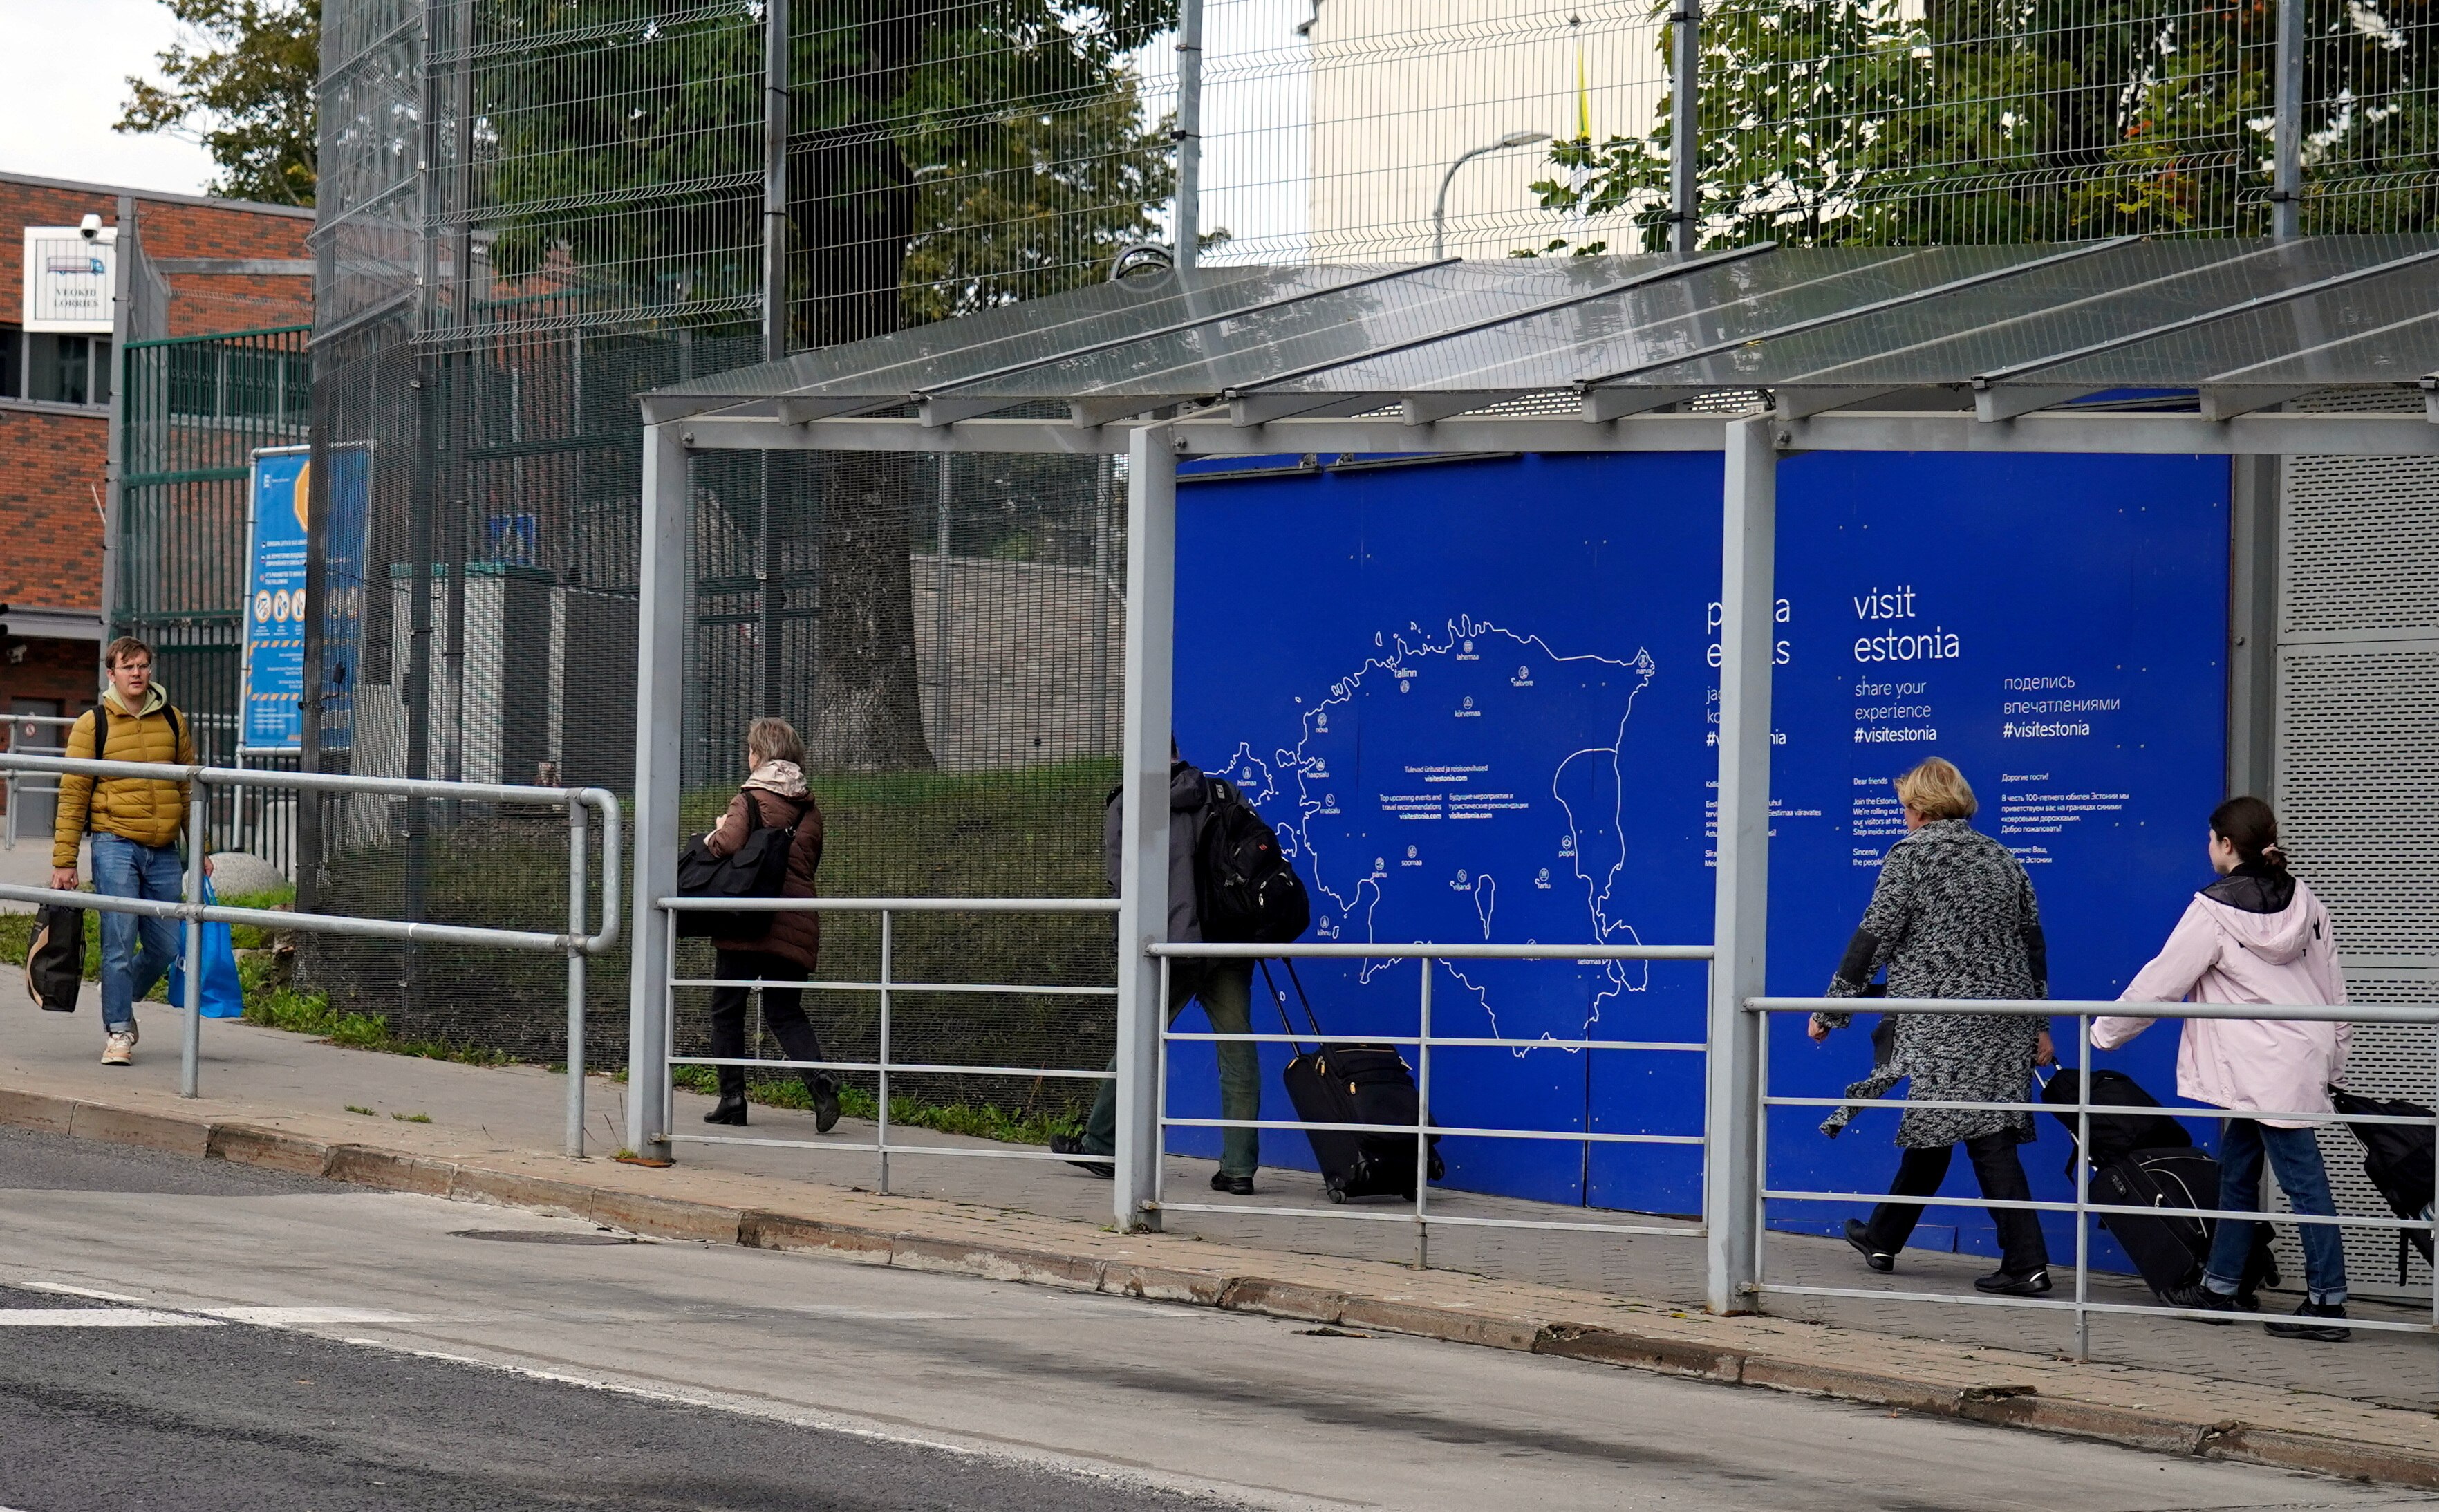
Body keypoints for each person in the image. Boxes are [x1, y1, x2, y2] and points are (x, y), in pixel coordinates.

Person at [2094, 796, 2353, 1342]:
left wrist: (2104, 1032)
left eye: (2212, 839)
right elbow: (2335, 989)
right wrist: (2336, 1062)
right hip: (2294, 1060)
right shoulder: (2305, 901)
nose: (2208, 848)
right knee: (2237, 1173)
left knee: (2303, 1182)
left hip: (2259, 1069)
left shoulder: (2212, 911)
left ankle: (2328, 1304)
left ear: (2226, 844)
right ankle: (2220, 1286)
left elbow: (2161, 982)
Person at [1813, 756, 2057, 1295]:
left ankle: (2027, 1262)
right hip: (2004, 1022)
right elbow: (2032, 946)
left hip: (1945, 1024)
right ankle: (1883, 1235)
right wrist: (2038, 1021)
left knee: (1985, 1136)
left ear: (1920, 808)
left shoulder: (1911, 857)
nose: (1903, 816)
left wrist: (1832, 1010)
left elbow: (1873, 938)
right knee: (1943, 1124)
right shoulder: (2002, 857)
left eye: (1904, 806)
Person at [1052, 742, 1261, 1195]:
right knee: (1237, 1050)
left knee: (1137, 1039)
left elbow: (1121, 881)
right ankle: (1239, 1168)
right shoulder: (1224, 793)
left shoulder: (1130, 804)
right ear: (1177, 752)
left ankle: (1102, 1142)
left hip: (1167, 947)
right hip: (1228, 945)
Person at [49, 637, 202, 1067]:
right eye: (127, 666)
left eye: (143, 666)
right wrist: (64, 859)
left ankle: (120, 988)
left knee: (168, 942)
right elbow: (74, 792)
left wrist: (200, 847)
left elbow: (189, 787)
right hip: (115, 841)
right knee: (119, 939)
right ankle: (118, 1031)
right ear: (111, 673)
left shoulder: (173, 720)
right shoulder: (92, 723)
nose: (137, 673)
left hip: (165, 849)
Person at [698, 717, 837, 1133]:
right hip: (795, 920)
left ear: (760, 753)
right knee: (785, 1011)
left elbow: (727, 845)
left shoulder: (751, 797)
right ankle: (821, 1083)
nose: (747, 756)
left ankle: (733, 1099)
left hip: (748, 919)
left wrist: (714, 833)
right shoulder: (810, 808)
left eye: (749, 749)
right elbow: (809, 864)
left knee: (728, 1011)